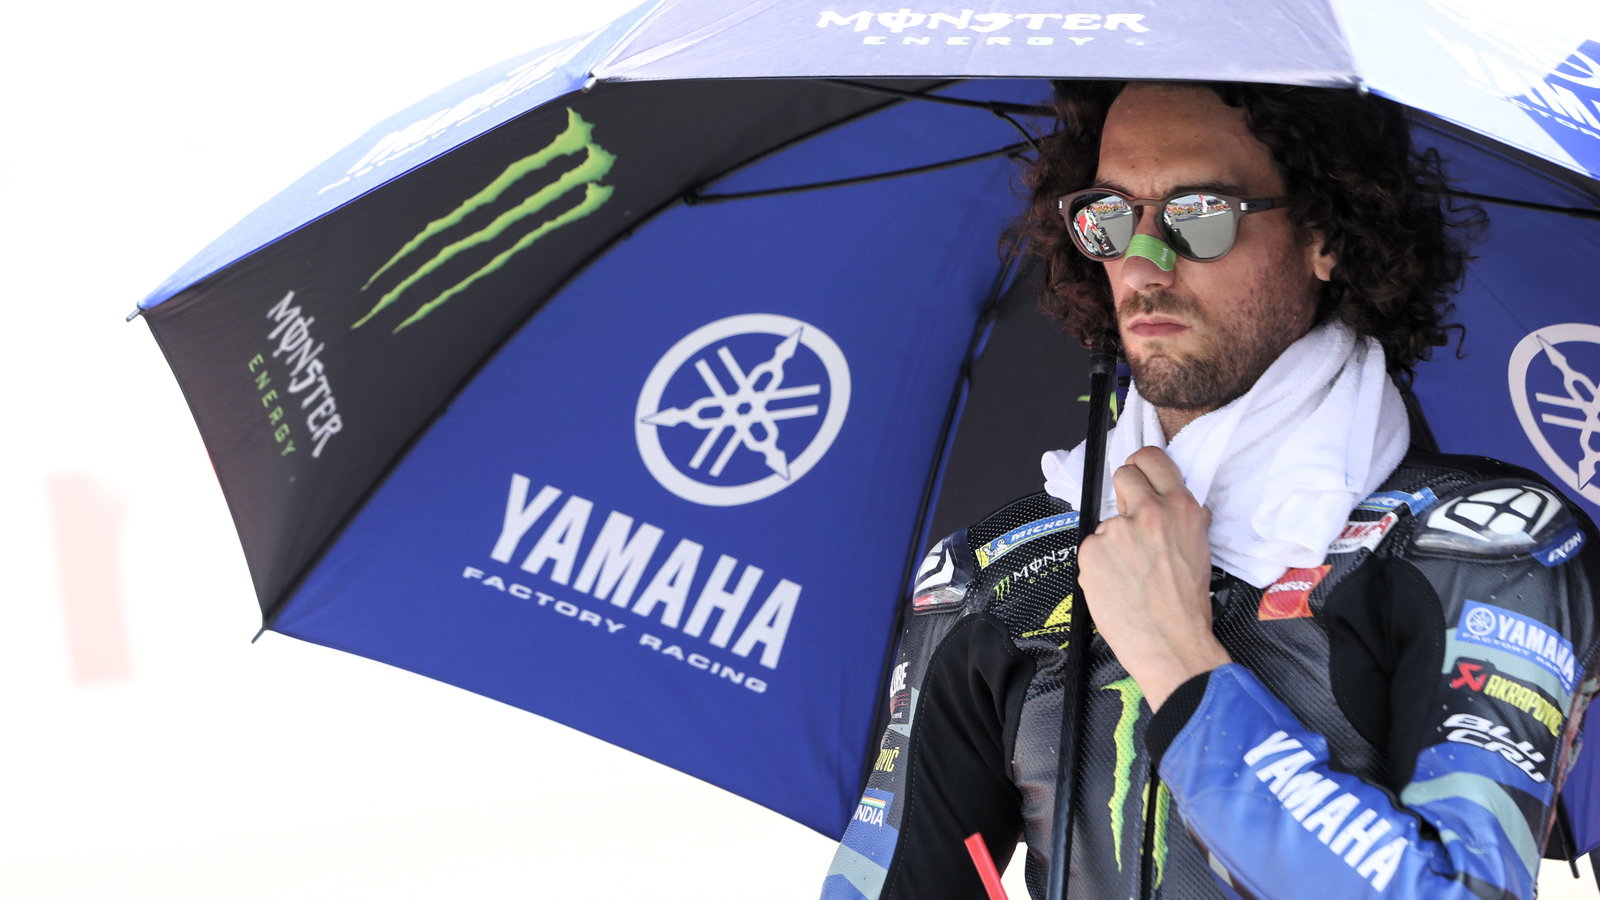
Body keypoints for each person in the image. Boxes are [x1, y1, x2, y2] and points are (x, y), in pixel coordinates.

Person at [819, 80, 1600, 900]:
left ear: (1325, 233)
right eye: (1110, 215)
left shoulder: (1487, 545)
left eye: (1199, 213)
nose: (1143, 263)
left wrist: (1179, 662)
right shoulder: (995, 574)